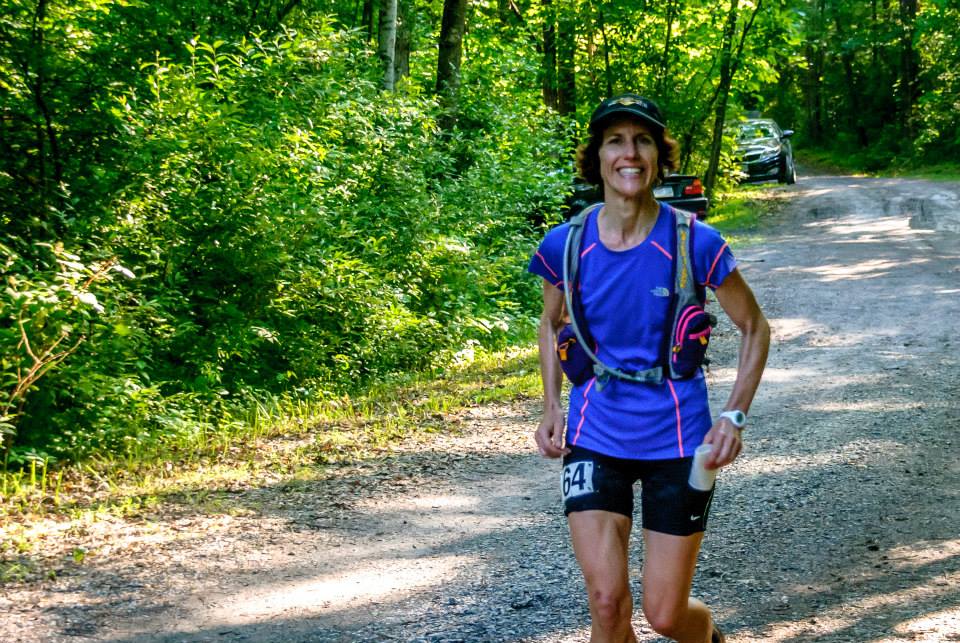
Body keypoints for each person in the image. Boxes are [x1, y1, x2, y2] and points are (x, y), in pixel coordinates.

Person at [527, 94, 770, 643]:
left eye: (642, 141)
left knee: (665, 615)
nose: (629, 153)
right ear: (597, 157)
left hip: (677, 442)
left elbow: (755, 327)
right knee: (607, 604)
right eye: (615, 141)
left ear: (659, 156)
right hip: (595, 436)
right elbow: (550, 322)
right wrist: (551, 405)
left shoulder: (695, 241)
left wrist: (733, 416)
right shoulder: (565, 244)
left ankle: (710, 637)